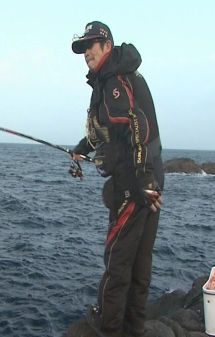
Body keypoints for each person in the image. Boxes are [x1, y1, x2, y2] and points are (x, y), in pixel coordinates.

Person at [70, 21, 165, 337]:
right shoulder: (120, 76)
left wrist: (139, 178)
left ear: (107, 45)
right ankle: (133, 328)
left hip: (133, 181)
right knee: (140, 261)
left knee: (118, 258)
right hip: (151, 176)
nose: (87, 53)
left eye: (92, 45)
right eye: (83, 48)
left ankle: (109, 327)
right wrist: (83, 148)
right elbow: (110, 131)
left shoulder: (112, 79)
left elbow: (134, 123)